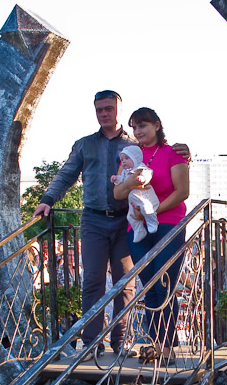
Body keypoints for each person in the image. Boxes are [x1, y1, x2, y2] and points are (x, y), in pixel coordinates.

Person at [33, 91, 189, 360]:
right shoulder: (85, 145)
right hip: (93, 219)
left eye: (109, 108)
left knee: (126, 283)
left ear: (118, 110)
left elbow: (164, 161)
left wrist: (185, 152)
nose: (104, 114)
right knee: (93, 280)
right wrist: (48, 199)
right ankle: (91, 343)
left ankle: (120, 341)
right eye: (99, 109)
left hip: (125, 220)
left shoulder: (135, 144)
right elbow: (66, 174)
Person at [113, 107, 189, 364]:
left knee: (164, 284)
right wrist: (131, 183)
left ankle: (166, 347)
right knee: (149, 286)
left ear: (157, 125)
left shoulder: (173, 153)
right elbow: (118, 193)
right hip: (138, 227)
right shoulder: (130, 156)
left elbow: (182, 192)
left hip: (169, 224)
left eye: (143, 125)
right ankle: (155, 342)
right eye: (134, 127)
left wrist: (153, 211)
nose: (138, 131)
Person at [111, 146, 159, 243]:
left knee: (146, 208)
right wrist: (116, 179)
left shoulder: (141, 168)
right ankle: (139, 231)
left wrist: (142, 179)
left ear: (135, 158)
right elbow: (121, 180)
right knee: (130, 217)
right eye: (122, 159)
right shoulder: (125, 172)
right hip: (134, 201)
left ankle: (152, 222)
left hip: (144, 196)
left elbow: (148, 174)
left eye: (127, 158)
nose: (124, 161)